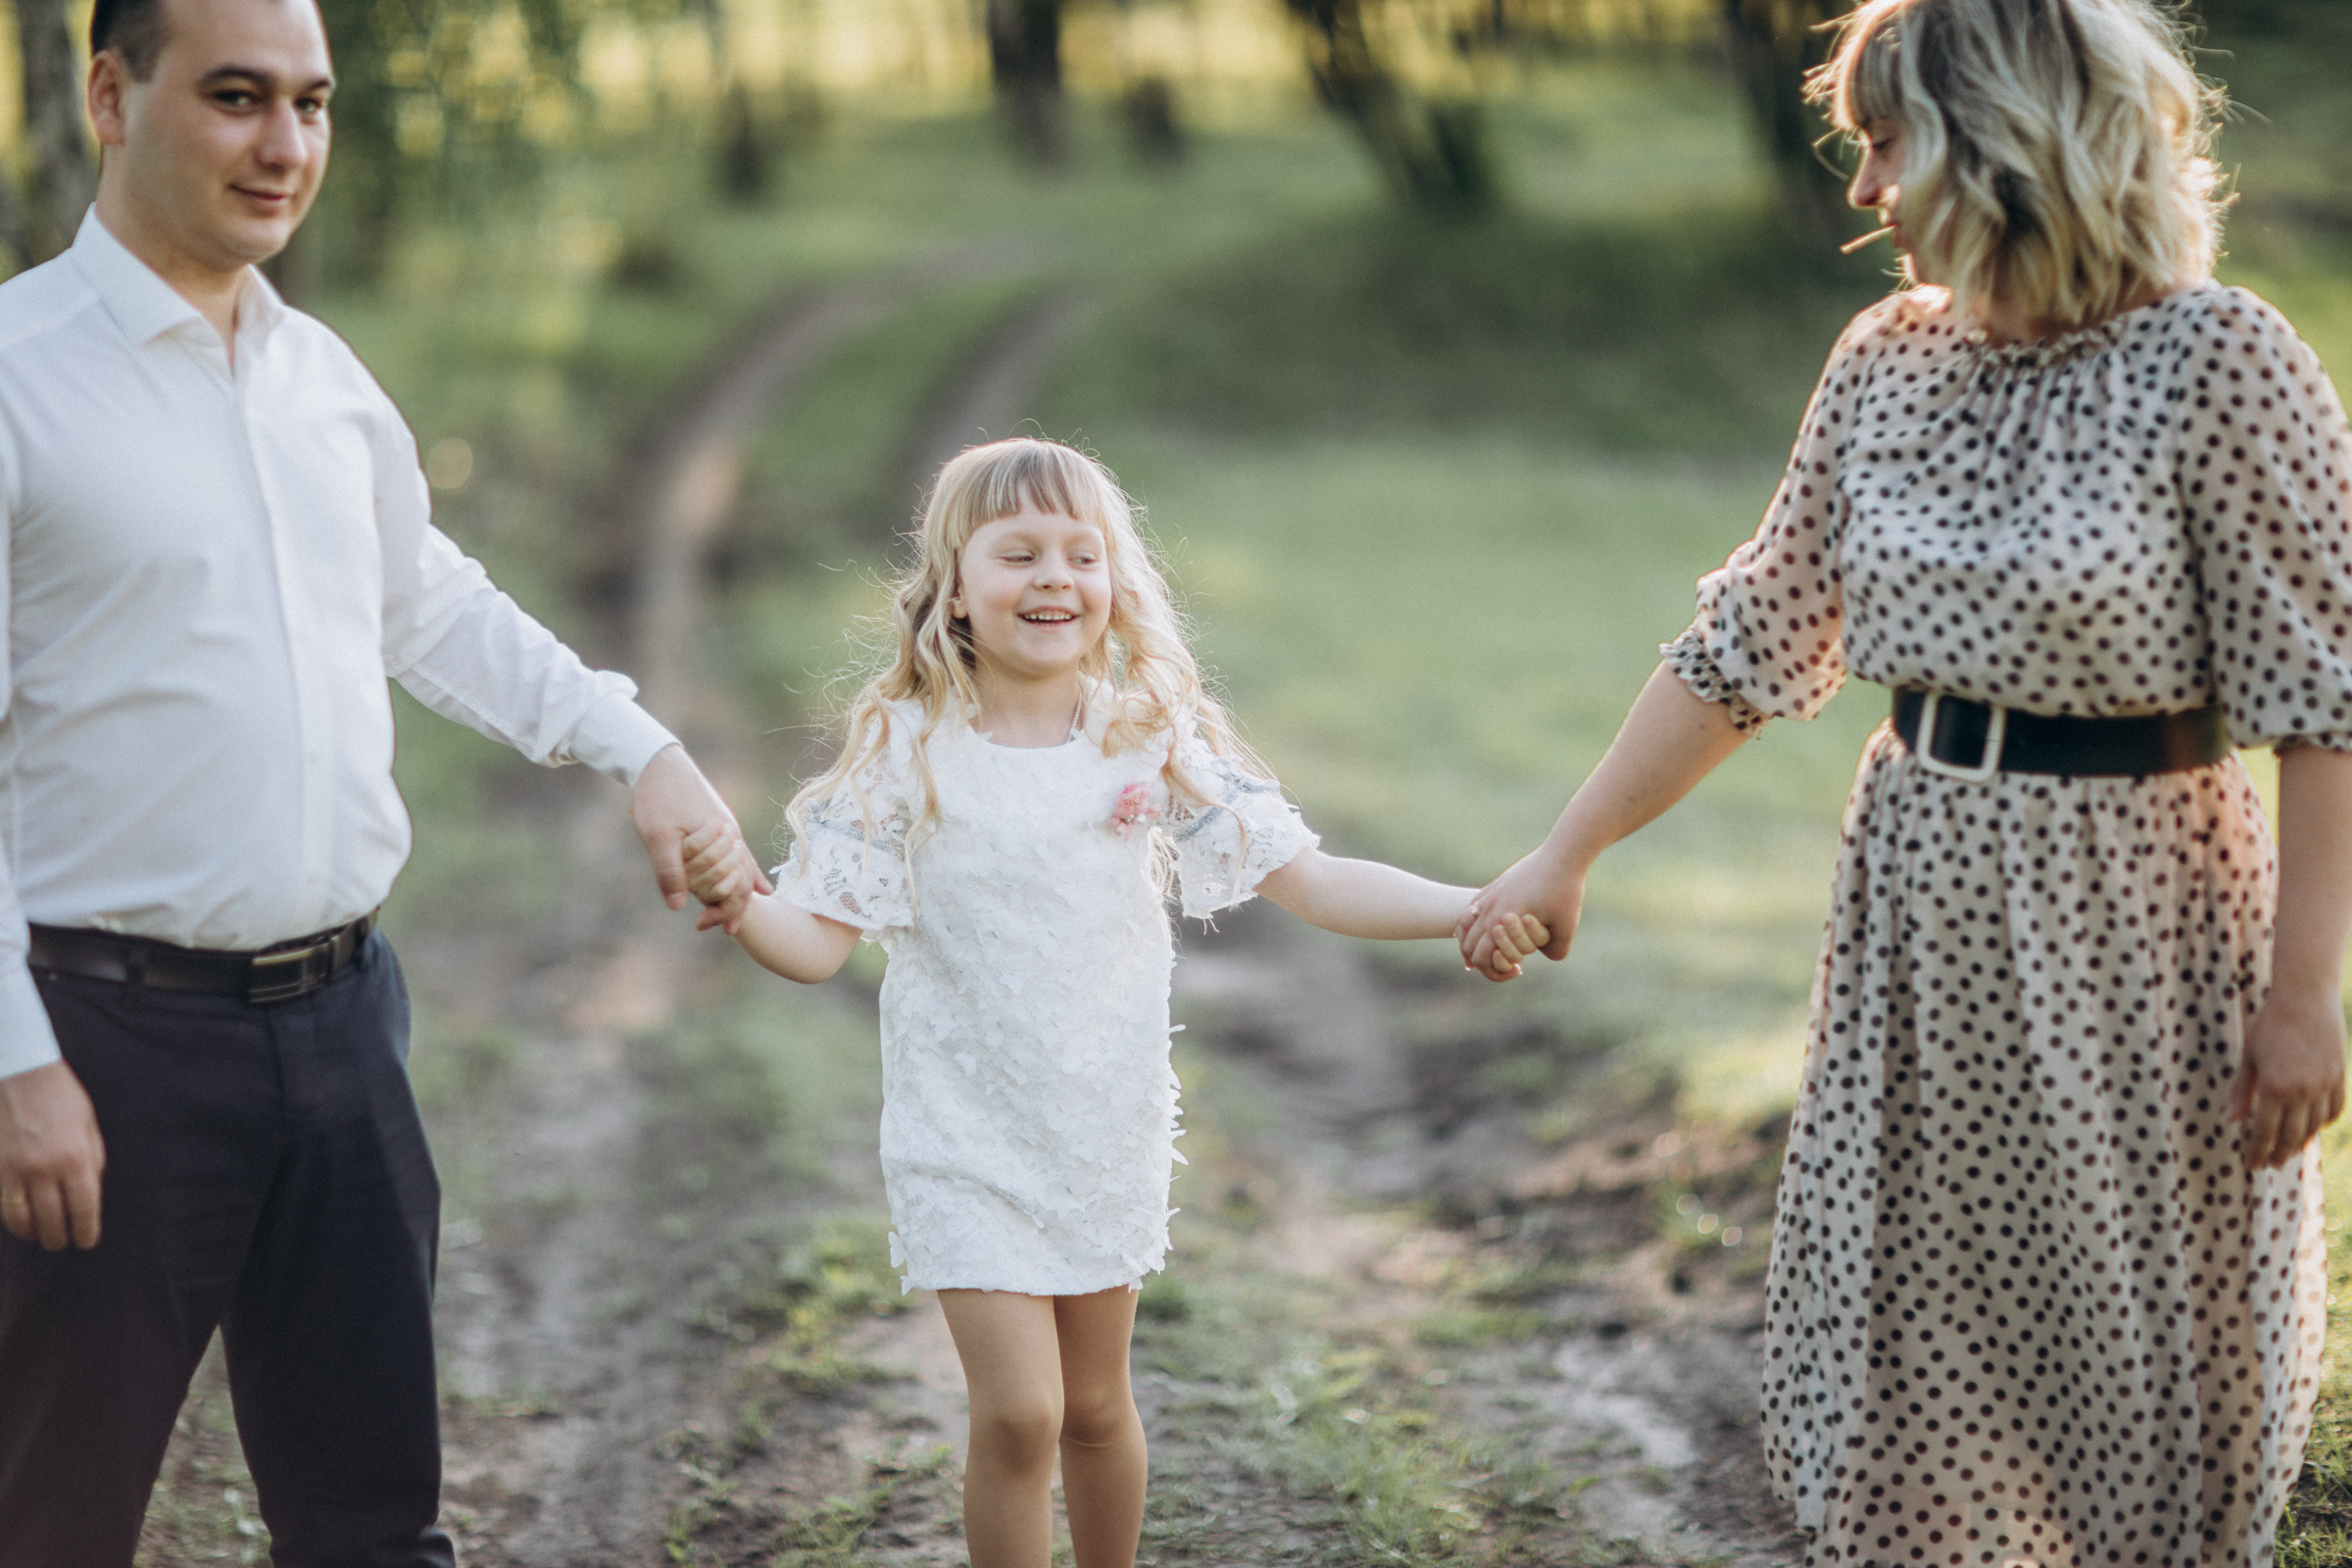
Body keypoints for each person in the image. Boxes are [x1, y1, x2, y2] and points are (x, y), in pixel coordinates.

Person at [1459, 1, 2352, 1564]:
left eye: (1885, 145)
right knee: (1912, 1354)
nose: (1865, 190)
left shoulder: (2227, 363)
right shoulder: (1884, 361)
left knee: (2145, 1364)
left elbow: (2325, 709)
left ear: (2001, 139)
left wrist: (2305, 999)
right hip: (1922, 909)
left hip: (2141, 918)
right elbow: (1746, 640)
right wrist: (1564, 852)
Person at [0, 0, 768, 1559]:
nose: (285, 146)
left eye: (312, 102)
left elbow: (427, 602)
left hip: (347, 1037)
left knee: (371, 1526)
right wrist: (15, 1061)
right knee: (49, 1521)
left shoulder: (320, 378)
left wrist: (643, 744)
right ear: (108, 94)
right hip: (95, 1051)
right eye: (234, 97)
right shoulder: (17, 379)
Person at [681, 437, 1546, 1568]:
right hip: (963, 1136)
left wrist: (1473, 904)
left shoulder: (1145, 736)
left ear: (1115, 581)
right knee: (1021, 1414)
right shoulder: (908, 750)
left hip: (1101, 1127)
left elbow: (1314, 878)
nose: (1053, 577)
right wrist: (739, 900)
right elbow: (814, 941)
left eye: (1081, 554)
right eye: (1018, 552)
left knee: (1094, 1408)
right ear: (951, 585)